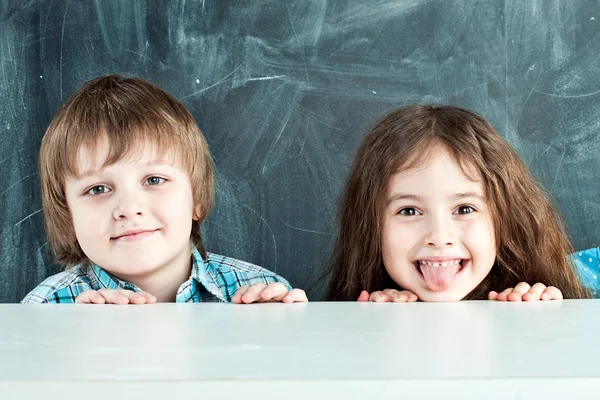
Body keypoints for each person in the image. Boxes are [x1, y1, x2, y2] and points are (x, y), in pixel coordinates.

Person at [22, 75, 306, 304]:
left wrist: (278, 339)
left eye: (154, 180)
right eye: (98, 189)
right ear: (67, 216)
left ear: (196, 197)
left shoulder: (260, 293)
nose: (129, 208)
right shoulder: (46, 310)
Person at [325, 105, 590, 302]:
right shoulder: (362, 313)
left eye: (464, 209)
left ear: (506, 220)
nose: (439, 238)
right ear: (370, 225)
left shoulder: (568, 285)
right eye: (408, 211)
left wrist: (548, 322)